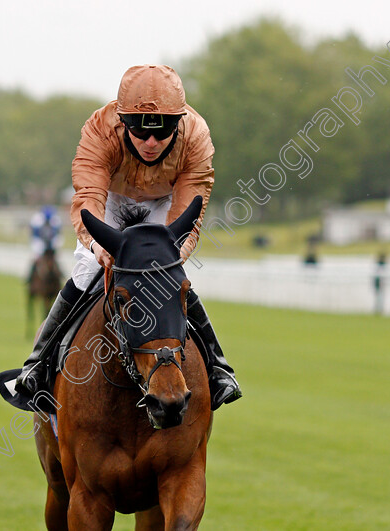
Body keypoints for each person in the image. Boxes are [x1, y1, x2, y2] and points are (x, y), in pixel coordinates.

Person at [14, 65, 241, 411]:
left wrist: (178, 250)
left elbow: (191, 203)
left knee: (170, 276)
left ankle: (218, 367)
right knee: (88, 268)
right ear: (123, 122)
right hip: (111, 200)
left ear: (178, 123)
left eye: (161, 133)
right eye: (140, 132)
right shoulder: (100, 130)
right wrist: (97, 245)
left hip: (164, 204)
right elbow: (89, 197)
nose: (151, 143)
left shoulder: (196, 136)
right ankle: (38, 363)